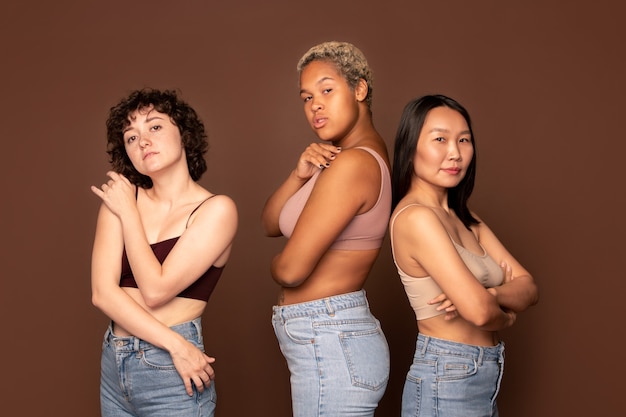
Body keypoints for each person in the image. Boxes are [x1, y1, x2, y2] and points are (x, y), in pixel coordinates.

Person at [261, 41, 391, 416]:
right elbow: (271, 222)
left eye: (327, 90)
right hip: (327, 339)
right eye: (306, 97)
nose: (315, 104)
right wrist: (298, 173)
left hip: (332, 340)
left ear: (359, 89)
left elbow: (290, 269)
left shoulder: (353, 164)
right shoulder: (335, 159)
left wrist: (276, 266)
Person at [90, 88, 238, 417]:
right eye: (131, 137)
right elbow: (102, 294)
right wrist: (175, 345)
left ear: (183, 134)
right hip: (117, 361)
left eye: (154, 127)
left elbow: (155, 290)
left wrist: (128, 213)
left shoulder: (216, 210)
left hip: (172, 373)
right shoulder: (121, 202)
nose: (143, 141)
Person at [389, 94, 539, 417]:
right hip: (447, 376)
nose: (454, 153)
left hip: (481, 374)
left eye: (464, 140)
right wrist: (505, 314)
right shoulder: (416, 218)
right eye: (440, 139)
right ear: (410, 146)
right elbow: (481, 314)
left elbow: (529, 287)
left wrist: (493, 294)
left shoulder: (465, 217)